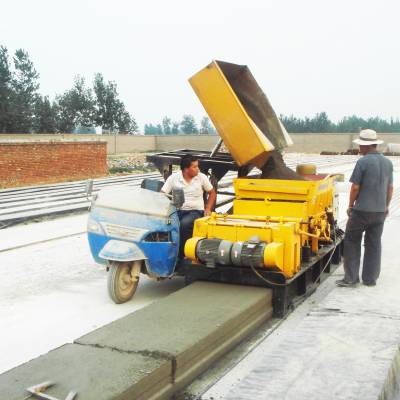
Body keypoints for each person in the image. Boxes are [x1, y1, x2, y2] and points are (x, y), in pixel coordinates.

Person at [336, 129, 393, 287]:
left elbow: (355, 187)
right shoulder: (388, 162)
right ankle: (370, 279)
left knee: (352, 241)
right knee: (374, 244)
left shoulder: (363, 162)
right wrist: (386, 206)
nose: (359, 149)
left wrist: (350, 205)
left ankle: (351, 278)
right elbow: (390, 188)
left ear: (367, 147)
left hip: (362, 212)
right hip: (380, 212)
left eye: (361, 146)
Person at [161, 155, 217, 258]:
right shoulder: (174, 178)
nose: (198, 169)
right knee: (165, 225)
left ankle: (182, 256)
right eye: (195, 167)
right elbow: (162, 193)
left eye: (197, 166)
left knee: (184, 224)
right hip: (177, 210)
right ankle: (167, 253)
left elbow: (212, 193)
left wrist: (208, 208)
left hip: (195, 211)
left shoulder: (201, 177)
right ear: (186, 169)